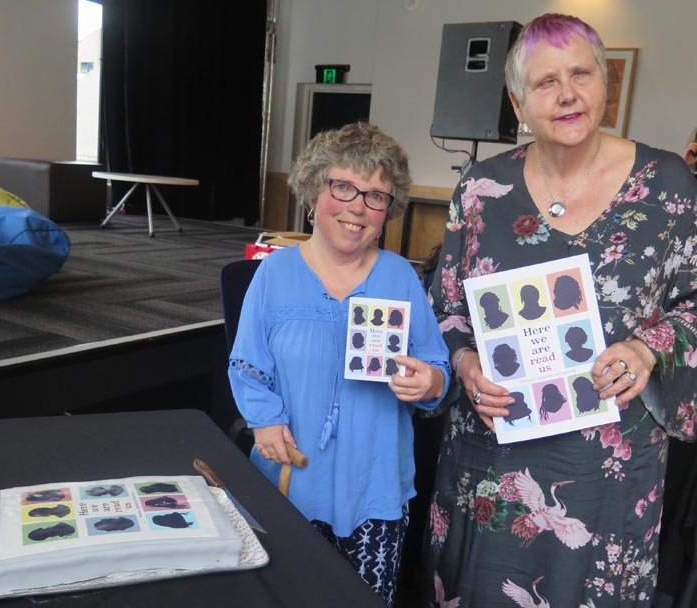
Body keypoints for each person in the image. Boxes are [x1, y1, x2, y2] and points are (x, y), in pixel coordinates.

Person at [427, 13, 697, 607]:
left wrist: (647, 347)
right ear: (517, 100)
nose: (567, 93)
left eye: (581, 73)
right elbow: (445, 306)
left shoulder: (668, 185)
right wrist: (466, 362)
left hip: (609, 472)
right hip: (491, 455)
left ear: (605, 84)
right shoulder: (479, 190)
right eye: (546, 82)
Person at [228, 122, 451, 607]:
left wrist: (429, 380)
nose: (358, 207)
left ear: (387, 210)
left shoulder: (401, 277)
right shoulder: (274, 273)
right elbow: (246, 364)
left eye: (376, 196)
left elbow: (437, 368)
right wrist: (264, 422)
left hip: (372, 484)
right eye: (344, 186)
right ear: (315, 189)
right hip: (291, 476)